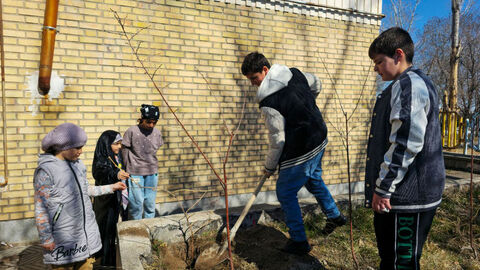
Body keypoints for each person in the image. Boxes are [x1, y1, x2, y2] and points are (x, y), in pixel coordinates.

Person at [241, 52, 346, 255]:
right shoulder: (294, 74)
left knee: (286, 191)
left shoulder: (269, 101)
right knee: (314, 179)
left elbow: (278, 139)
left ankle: (299, 241)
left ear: (265, 70)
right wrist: (307, 108)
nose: (253, 84)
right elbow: (317, 83)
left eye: (254, 78)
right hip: (320, 135)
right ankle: (335, 216)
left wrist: (269, 166)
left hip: (303, 146)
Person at [365, 27, 445, 269]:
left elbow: (406, 142)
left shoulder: (409, 85)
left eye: (379, 61)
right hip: (403, 195)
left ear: (398, 55)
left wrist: (384, 187)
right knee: (392, 260)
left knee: (402, 263)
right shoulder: (407, 84)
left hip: (407, 198)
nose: (376, 68)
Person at [33, 123, 126, 269]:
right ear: (62, 146)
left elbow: (85, 190)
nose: (81, 152)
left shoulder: (78, 165)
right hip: (62, 241)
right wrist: (46, 238)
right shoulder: (46, 171)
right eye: (78, 147)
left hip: (84, 239)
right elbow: (41, 208)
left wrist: (111, 187)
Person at [92, 130, 130, 267]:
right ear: (107, 144)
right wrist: (116, 174)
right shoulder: (101, 158)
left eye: (120, 144)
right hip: (106, 203)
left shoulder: (116, 156)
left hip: (117, 201)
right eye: (116, 144)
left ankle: (115, 260)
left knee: (115, 233)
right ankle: (106, 263)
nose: (119, 147)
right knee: (107, 233)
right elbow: (101, 174)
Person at [122, 104, 164, 220]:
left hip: (152, 172)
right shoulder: (132, 131)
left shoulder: (157, 133)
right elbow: (124, 150)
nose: (151, 125)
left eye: (154, 122)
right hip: (135, 172)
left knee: (150, 202)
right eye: (148, 122)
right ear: (142, 119)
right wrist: (126, 168)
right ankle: (137, 228)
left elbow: (156, 149)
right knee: (136, 203)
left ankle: (150, 226)